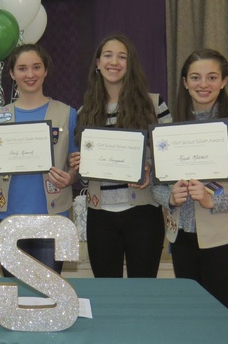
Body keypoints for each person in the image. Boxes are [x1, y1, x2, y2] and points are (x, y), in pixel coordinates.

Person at [151, 49, 228, 313]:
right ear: (184, 82)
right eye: (195, 77)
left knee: (221, 322)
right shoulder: (168, 130)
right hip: (181, 240)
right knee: (191, 320)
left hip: (223, 242)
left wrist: (213, 201)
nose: (203, 85)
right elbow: (155, 187)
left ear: (224, 81)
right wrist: (169, 198)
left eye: (212, 77)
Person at [69, 34, 172, 278]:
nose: (114, 62)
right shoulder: (85, 112)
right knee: (108, 295)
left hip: (144, 214)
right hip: (100, 217)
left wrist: (149, 168)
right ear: (97, 62)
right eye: (108, 55)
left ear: (130, 64)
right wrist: (80, 167)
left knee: (143, 293)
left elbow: (170, 160)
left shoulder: (154, 104)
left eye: (122, 56)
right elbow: (86, 180)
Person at [0, 44, 78, 276]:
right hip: (8, 217)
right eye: (22, 68)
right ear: (12, 74)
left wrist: (70, 177)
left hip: (53, 218)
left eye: (36, 67)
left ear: (45, 71)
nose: (30, 74)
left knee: (49, 295)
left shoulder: (66, 113)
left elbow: (76, 166)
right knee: (16, 297)